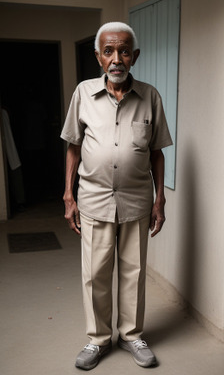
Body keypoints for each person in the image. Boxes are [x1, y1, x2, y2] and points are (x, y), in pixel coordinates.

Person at [61, 22, 172, 371]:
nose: (116, 58)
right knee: (95, 274)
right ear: (98, 56)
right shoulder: (83, 93)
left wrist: (159, 200)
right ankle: (97, 339)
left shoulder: (150, 96)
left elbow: (157, 153)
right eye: (108, 51)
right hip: (93, 200)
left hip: (137, 201)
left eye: (124, 50)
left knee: (133, 272)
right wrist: (68, 195)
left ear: (134, 55)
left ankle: (131, 335)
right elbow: (74, 146)